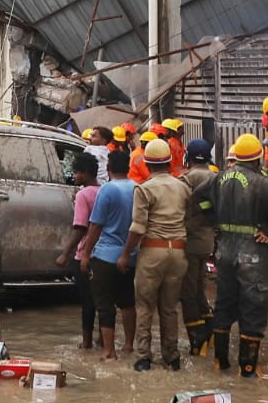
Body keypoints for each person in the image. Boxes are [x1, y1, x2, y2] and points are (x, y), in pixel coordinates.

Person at [194, 133, 268, 378]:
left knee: (224, 304)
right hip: (253, 256)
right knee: (254, 308)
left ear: (236, 156)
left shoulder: (220, 178)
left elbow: (198, 196)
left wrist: (212, 221)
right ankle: (247, 370)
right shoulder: (262, 183)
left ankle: (221, 363)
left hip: (225, 253)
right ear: (258, 159)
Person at [120, 138, 190, 372]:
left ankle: (143, 357)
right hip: (178, 252)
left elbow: (138, 227)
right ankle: (171, 356)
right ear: (170, 162)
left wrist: (125, 254)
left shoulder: (144, 189)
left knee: (145, 306)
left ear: (147, 164)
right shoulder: (182, 186)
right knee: (169, 308)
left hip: (152, 251)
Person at [81, 149, 136, 361]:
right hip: (130, 255)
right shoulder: (136, 188)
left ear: (108, 168)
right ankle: (129, 346)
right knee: (128, 302)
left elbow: (95, 225)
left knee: (105, 305)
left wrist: (86, 255)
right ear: (129, 167)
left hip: (105, 256)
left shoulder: (107, 190)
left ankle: (109, 351)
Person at [57, 152, 101, 349]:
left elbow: (80, 227)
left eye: (75, 173)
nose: (73, 177)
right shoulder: (105, 191)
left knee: (87, 302)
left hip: (85, 253)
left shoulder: (83, 195)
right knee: (104, 302)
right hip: (104, 254)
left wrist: (65, 253)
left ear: (84, 173)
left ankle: (86, 343)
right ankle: (104, 339)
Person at [178, 138, 218, 356]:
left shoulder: (186, 179)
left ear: (189, 157)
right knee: (199, 288)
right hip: (208, 241)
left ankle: (197, 338)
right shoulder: (216, 176)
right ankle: (209, 332)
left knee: (187, 292)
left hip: (190, 240)